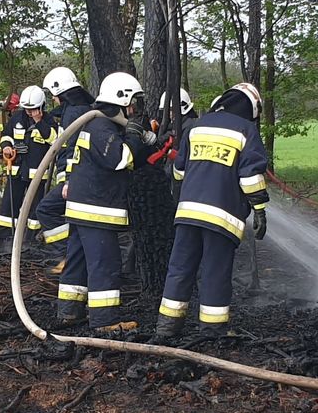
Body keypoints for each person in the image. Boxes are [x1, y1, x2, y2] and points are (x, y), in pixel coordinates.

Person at [154, 83, 269, 339]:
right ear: (250, 108)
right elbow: (250, 177)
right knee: (215, 270)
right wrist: (260, 210)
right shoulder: (246, 130)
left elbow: (179, 171)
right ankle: (212, 330)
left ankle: (166, 328)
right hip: (222, 216)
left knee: (180, 268)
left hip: (187, 213)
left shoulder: (197, 126)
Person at [58, 72, 161, 332]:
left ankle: (69, 312)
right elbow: (119, 159)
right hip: (96, 209)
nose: (134, 109)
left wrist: (149, 145)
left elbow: (130, 158)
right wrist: (136, 136)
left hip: (83, 207)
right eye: (132, 103)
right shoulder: (101, 126)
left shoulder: (99, 125)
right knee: (104, 263)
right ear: (121, 99)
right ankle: (105, 322)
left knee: (78, 261)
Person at [36, 66, 91, 250]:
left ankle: (66, 252)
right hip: (80, 179)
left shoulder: (74, 113)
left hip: (75, 180)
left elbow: (75, 148)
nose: (52, 98)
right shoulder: (77, 109)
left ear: (61, 91)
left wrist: (69, 180)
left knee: (45, 210)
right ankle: (74, 255)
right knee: (73, 218)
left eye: (53, 93)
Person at [0, 85, 58, 235]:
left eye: (34, 109)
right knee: (8, 206)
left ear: (42, 106)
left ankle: (32, 239)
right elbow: (6, 135)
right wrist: (6, 146)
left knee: (35, 210)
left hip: (37, 174)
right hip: (16, 170)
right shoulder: (17, 117)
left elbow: (55, 140)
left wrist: (39, 122)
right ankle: (3, 237)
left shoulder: (49, 120)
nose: (29, 112)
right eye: (27, 109)